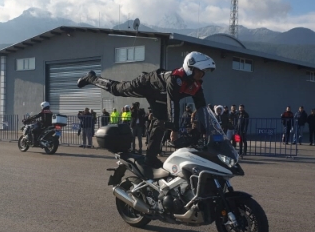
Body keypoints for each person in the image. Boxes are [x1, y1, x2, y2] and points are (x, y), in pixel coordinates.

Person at [77, 51, 215, 167]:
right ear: (190, 67)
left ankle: (150, 158)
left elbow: (202, 107)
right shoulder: (175, 79)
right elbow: (173, 104)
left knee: (160, 122)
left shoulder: (196, 85)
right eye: (200, 71)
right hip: (147, 84)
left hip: (160, 98)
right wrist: (175, 130)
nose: (202, 74)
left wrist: (208, 129)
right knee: (117, 89)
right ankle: (91, 78)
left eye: (204, 72)